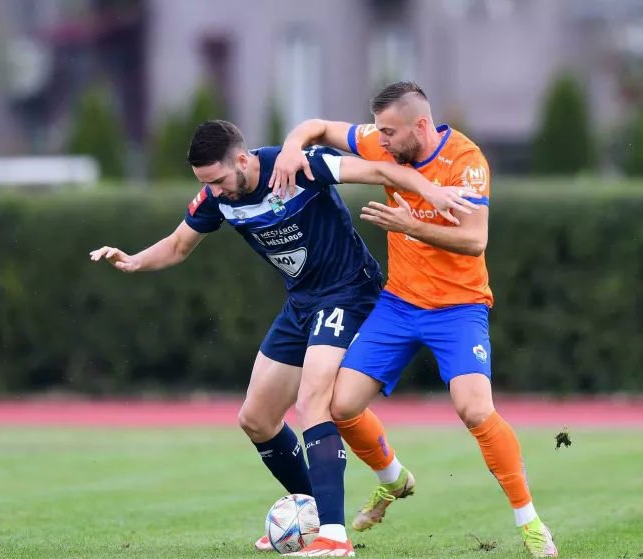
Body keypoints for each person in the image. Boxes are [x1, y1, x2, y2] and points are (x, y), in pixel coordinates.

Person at [90, 119, 475, 557]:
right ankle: (312, 519)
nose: (214, 192)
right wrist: (133, 261)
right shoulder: (218, 198)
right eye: (205, 184)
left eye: (216, 180)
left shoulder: (296, 166)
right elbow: (179, 246)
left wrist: (431, 190)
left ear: (242, 159)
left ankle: (333, 536)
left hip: (349, 292)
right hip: (302, 305)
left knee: (314, 401)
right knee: (256, 419)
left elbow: (381, 171)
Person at [271, 81, 558, 558]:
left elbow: (474, 241)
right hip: (399, 305)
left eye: (388, 132)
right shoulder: (387, 140)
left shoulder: (466, 162)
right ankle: (393, 479)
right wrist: (289, 148)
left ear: (419, 126)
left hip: (459, 308)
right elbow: (318, 127)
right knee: (341, 406)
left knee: (474, 409)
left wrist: (411, 227)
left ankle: (529, 522)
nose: (378, 141)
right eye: (377, 131)